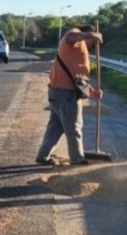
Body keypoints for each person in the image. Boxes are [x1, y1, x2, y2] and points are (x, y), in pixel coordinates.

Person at [35, 24, 103, 166]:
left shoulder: (77, 49)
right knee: (74, 127)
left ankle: (43, 156)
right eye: (93, 42)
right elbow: (69, 37)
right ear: (89, 33)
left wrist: (92, 93)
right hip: (66, 94)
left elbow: (77, 78)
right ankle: (77, 159)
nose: (93, 45)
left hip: (58, 91)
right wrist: (90, 36)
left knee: (56, 126)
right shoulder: (75, 35)